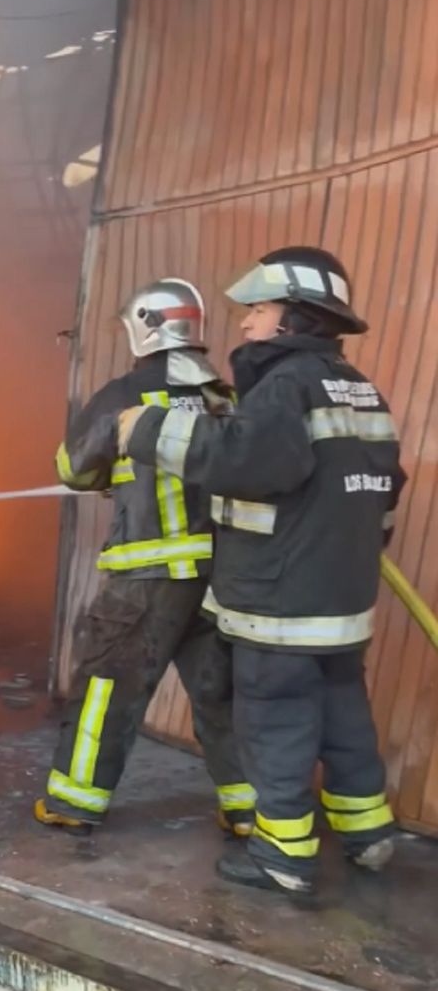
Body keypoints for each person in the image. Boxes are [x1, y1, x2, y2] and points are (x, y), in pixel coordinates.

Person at [119, 247, 405, 895]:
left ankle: (283, 856)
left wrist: (147, 429)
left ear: (293, 319)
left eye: (258, 309)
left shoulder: (284, 387)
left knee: (274, 721)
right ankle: (369, 834)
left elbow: (246, 462)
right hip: (342, 600)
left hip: (281, 605)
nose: (246, 324)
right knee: (343, 713)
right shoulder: (360, 387)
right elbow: (385, 486)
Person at [34, 278, 255, 837]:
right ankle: (249, 809)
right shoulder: (223, 399)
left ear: (145, 327)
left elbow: (72, 468)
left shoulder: (125, 395)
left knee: (107, 685)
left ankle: (73, 802)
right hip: (217, 581)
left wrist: (110, 474)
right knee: (221, 694)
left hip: (146, 578)